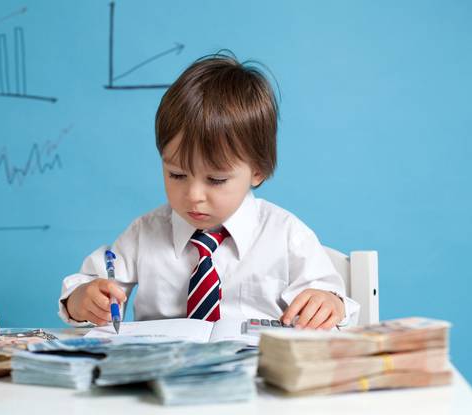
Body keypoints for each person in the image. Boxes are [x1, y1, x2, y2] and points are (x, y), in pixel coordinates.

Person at [59, 53, 359, 330]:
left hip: (255, 377)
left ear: (258, 171)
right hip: (163, 374)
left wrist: (329, 303)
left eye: (215, 180)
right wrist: (83, 299)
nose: (193, 195)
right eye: (176, 174)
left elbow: (332, 299)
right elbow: (86, 285)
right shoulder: (144, 234)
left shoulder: (286, 235)